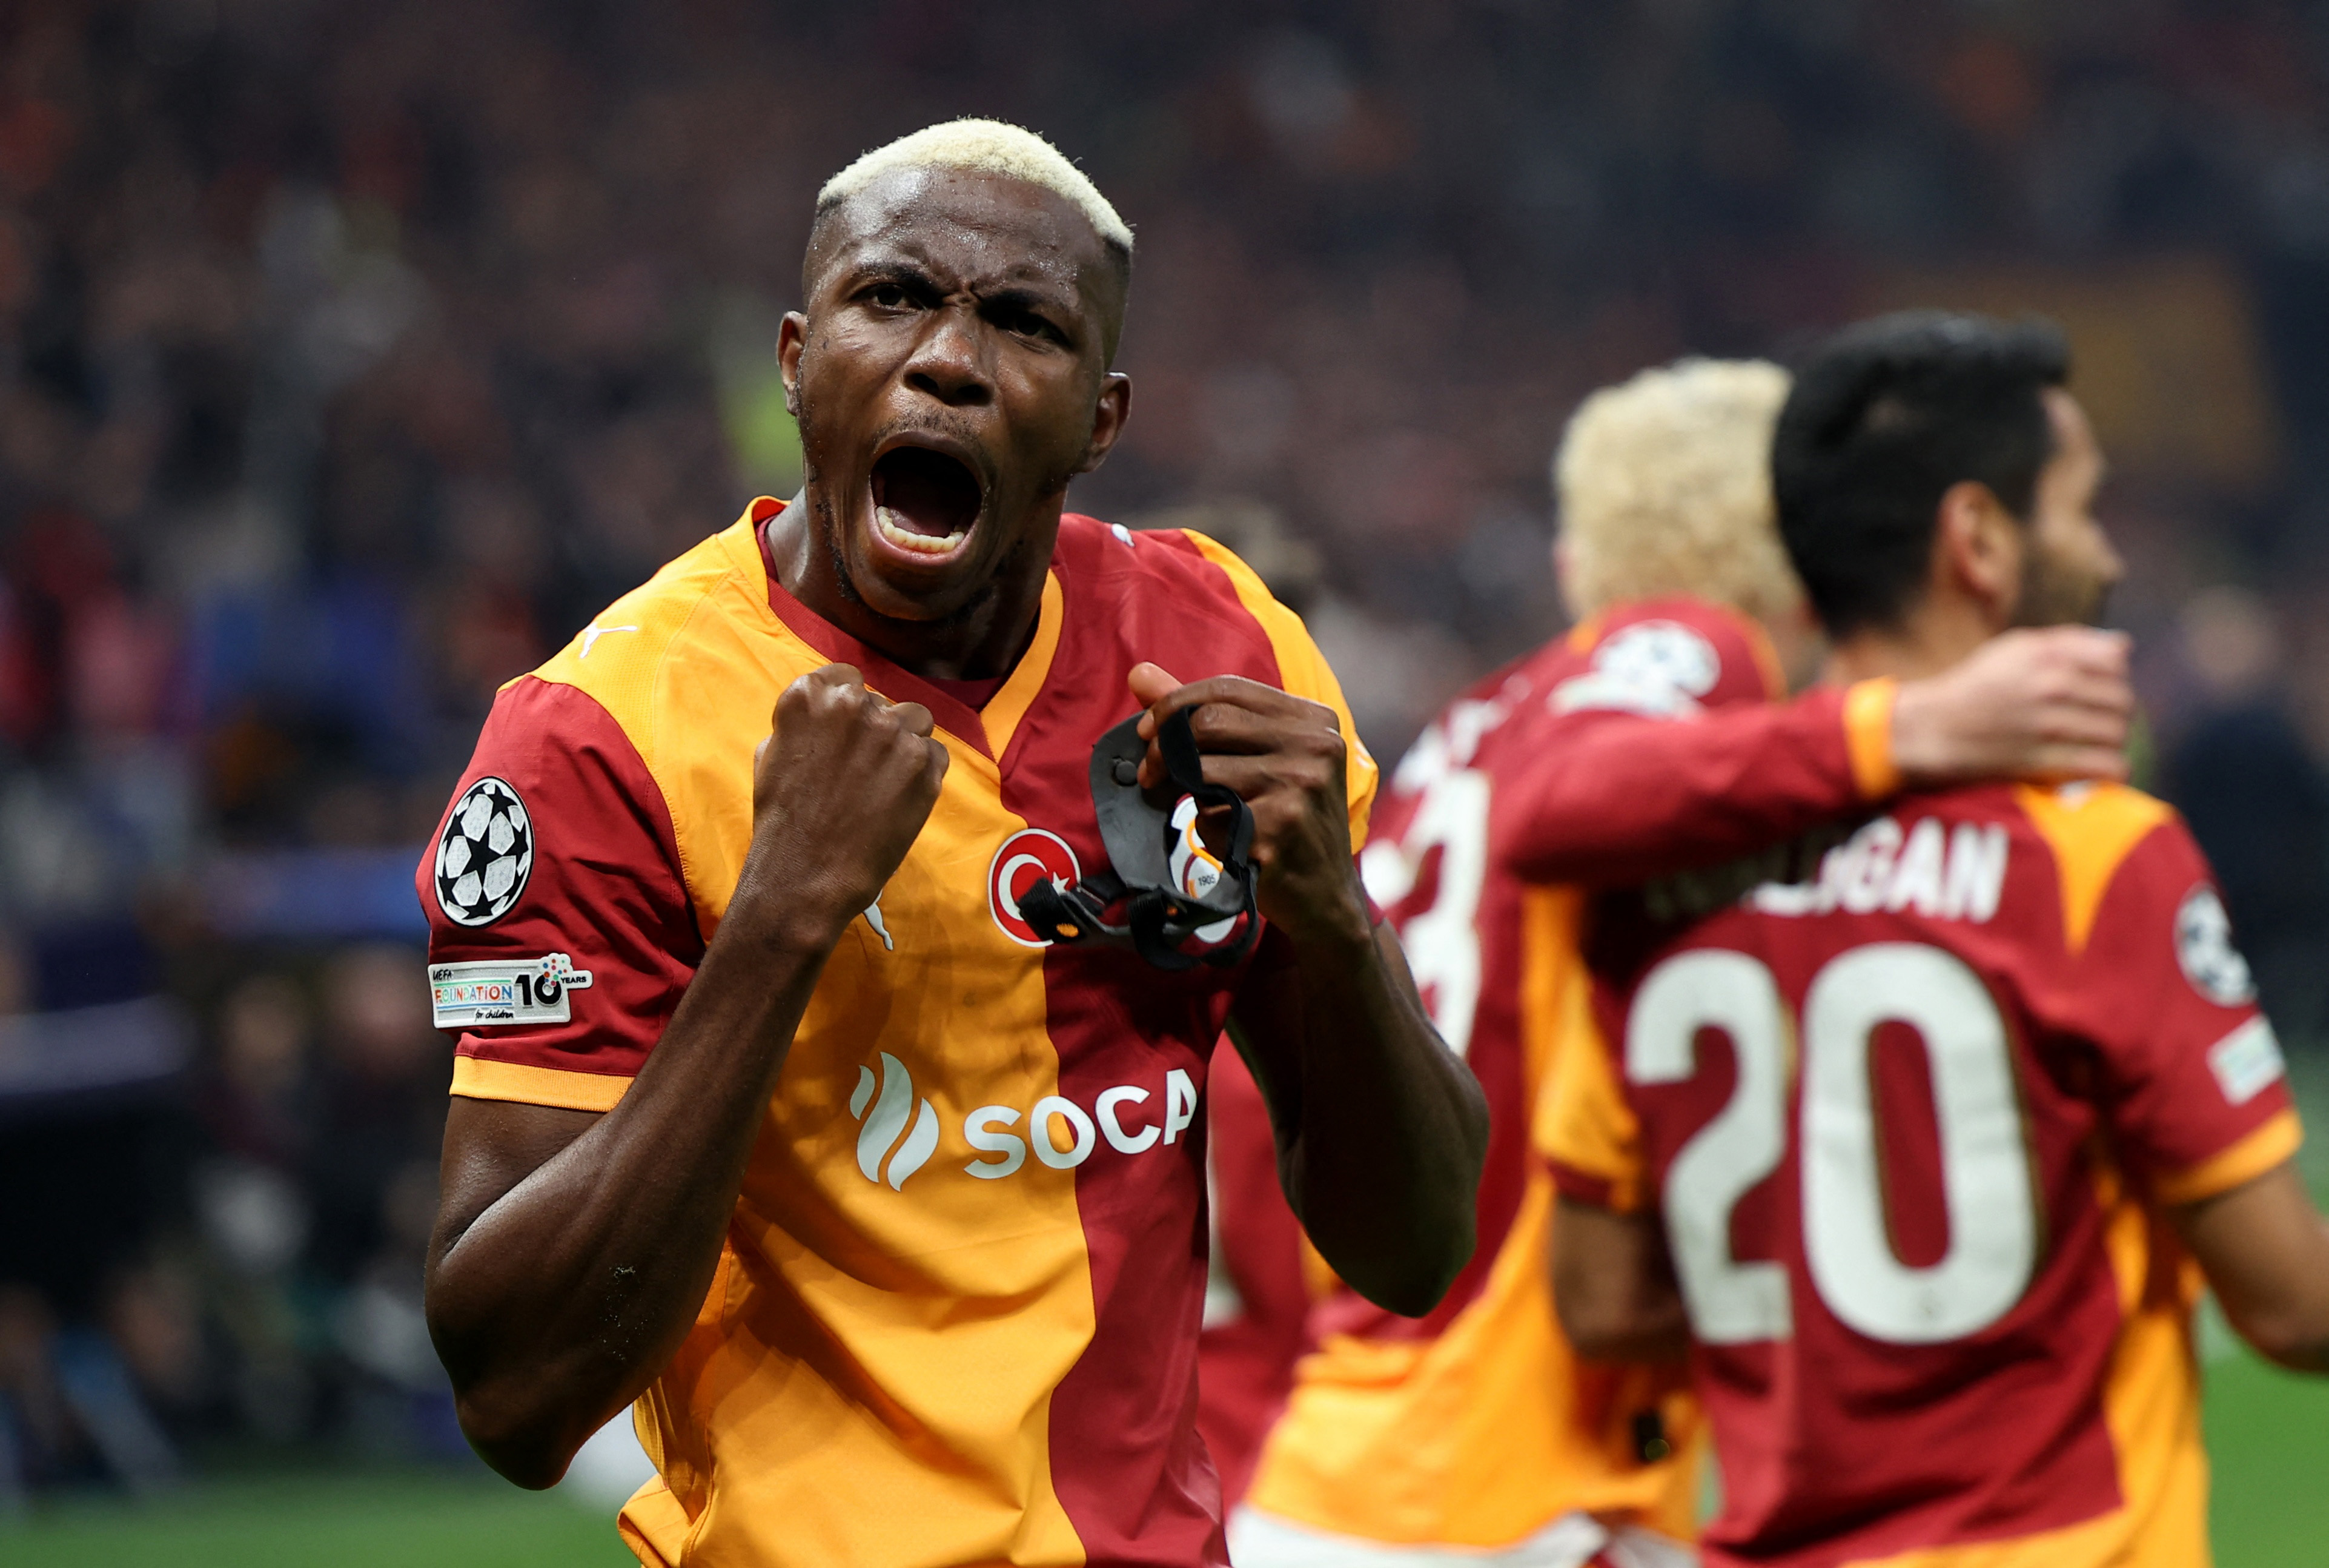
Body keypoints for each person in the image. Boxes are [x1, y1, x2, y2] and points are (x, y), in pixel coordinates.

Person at [416, 120, 1488, 1568]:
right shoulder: (599, 732)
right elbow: (517, 1397)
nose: (949, 359)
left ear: (1100, 421)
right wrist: (781, 919)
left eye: (1022, 323)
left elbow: (1414, 1250)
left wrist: (1333, 918)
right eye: (893, 296)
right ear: (797, 358)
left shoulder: (1217, 643)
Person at [1219, 359, 2138, 1566]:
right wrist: (1908, 728)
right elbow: (1571, 804)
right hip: (1505, 1484)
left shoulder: (1485, 714)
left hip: (1367, 1460)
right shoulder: (1689, 642)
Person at [1546, 312, 2329, 1567]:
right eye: (2080, 506)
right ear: (1978, 538)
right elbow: (2294, 1307)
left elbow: (1598, 1298)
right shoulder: (2095, 853)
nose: (2106, 550)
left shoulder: (1658, 881)